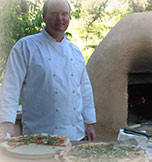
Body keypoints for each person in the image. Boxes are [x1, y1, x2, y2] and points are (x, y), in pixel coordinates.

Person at [0, 0, 96, 141]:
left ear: (69, 17)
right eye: (54, 14)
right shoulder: (25, 47)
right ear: (44, 16)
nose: (60, 19)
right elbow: (11, 87)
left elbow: (84, 89)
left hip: (75, 135)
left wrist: (90, 123)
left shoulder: (75, 51)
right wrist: (7, 124)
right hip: (39, 136)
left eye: (64, 14)